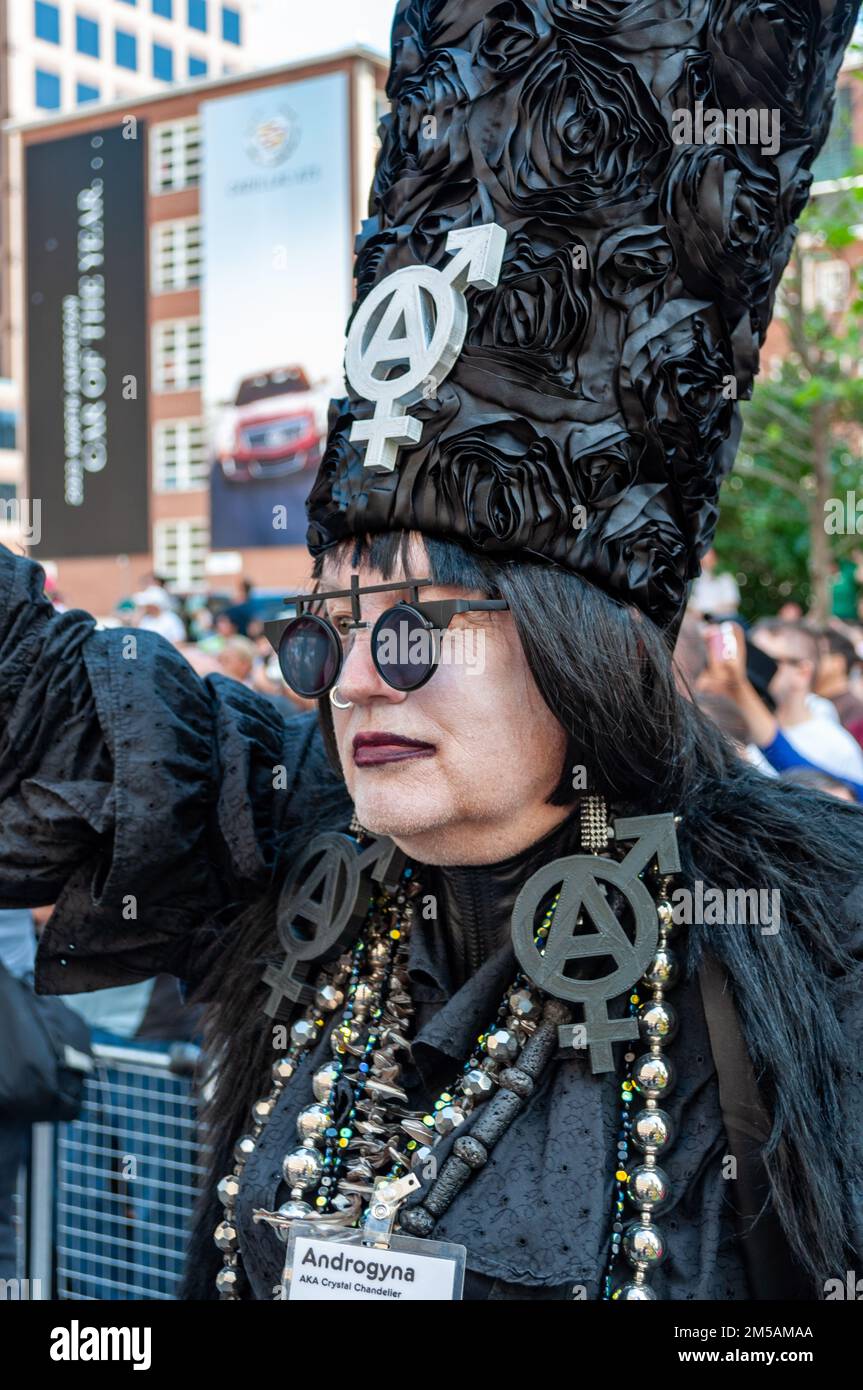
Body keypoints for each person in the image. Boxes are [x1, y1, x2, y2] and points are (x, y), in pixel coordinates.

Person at [1, 0, 861, 1306]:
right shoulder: (290, 839)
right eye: (327, 630)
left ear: (581, 644)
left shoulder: (798, 951)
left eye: (408, 628)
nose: (352, 678)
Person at [749, 621, 863, 783]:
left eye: (765, 661)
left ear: (802, 672)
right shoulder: (742, 735)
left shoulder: (838, 749)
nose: (751, 671)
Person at [815, 628, 863, 736]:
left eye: (817, 654)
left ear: (838, 663)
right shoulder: (810, 704)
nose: (809, 660)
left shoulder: (856, 714)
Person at [689, 549, 740, 620]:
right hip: (698, 622)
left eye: (709, 559)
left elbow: (732, 603)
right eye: (702, 560)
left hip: (723, 619)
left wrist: (707, 613)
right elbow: (690, 606)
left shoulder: (726, 578)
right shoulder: (695, 582)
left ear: (715, 560)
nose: (705, 563)